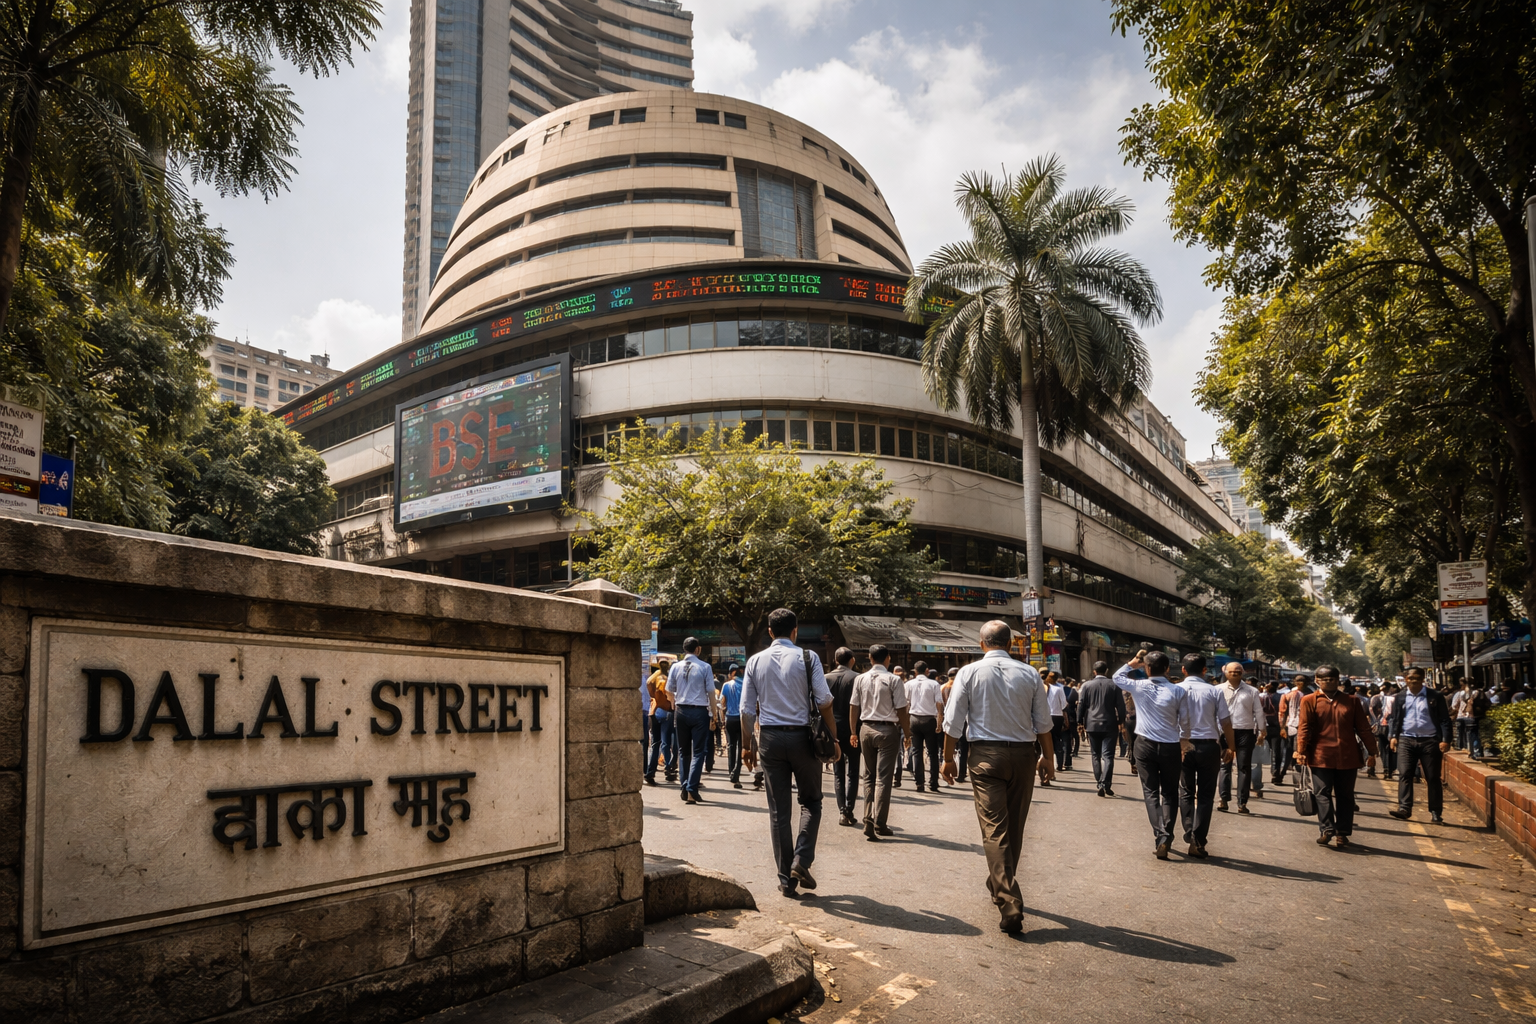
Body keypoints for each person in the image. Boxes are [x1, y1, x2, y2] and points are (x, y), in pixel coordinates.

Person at [941, 620, 1053, 936]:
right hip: (1023, 756)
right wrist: (1048, 757)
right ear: (1010, 643)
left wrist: (948, 759)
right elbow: (1043, 722)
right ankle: (1000, 883)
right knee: (1013, 827)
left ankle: (1007, 898)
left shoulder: (968, 673)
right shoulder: (1030, 673)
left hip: (985, 758)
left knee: (995, 829)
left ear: (982, 644)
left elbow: (953, 721)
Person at [740, 608, 839, 899]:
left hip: (770, 740)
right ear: (795, 631)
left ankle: (786, 880)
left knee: (778, 811)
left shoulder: (755, 661)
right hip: (803, 739)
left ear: (770, 632)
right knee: (811, 801)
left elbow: (746, 709)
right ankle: (801, 860)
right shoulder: (808, 658)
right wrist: (833, 739)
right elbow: (824, 701)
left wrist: (747, 745)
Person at [1114, 651, 1192, 860]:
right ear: (1167, 668)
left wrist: (1133, 663)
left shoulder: (1139, 686)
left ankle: (1161, 835)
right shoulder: (1178, 690)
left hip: (1145, 745)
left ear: (1147, 668)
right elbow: (1185, 721)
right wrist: (1184, 741)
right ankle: (1167, 834)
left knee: (1150, 792)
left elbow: (1117, 677)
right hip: (1170, 746)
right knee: (1170, 792)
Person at [1295, 664, 1379, 847]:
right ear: (1317, 681)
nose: (1328, 682)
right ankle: (1327, 829)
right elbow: (1304, 727)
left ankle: (1342, 832)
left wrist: (1372, 751)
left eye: (1332, 679)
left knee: (1345, 795)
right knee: (1322, 793)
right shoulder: (1309, 700)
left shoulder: (1352, 701)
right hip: (1320, 755)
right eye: (1324, 679)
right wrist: (1301, 751)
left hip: (1347, 756)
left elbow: (1363, 728)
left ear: (1338, 680)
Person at [849, 644, 912, 840]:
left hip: (865, 729)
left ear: (870, 658)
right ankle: (880, 823)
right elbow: (901, 710)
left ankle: (867, 817)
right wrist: (907, 734)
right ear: (888, 659)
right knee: (883, 778)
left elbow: (853, 706)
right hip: (887, 731)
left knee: (868, 775)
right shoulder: (894, 680)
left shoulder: (860, 679)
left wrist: (853, 732)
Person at [1177, 653, 1235, 858]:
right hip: (1209, 747)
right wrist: (1231, 747)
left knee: (1186, 791)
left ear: (1183, 670)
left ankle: (1188, 830)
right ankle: (1198, 838)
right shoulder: (1214, 691)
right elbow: (1226, 722)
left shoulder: (1176, 690)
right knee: (1206, 795)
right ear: (1204, 670)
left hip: (1183, 746)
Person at [1388, 666, 1452, 824]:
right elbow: (1395, 718)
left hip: (1430, 741)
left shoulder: (1435, 696)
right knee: (1405, 773)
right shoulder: (1400, 697)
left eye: (1417, 678)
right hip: (1406, 740)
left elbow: (1444, 719)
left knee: (1432, 777)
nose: (1414, 681)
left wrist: (1446, 739)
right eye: (1410, 678)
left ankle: (1436, 812)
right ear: (1406, 679)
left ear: (1423, 679)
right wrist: (1393, 736)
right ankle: (1404, 808)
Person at [667, 638, 718, 805]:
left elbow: (668, 690)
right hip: (699, 711)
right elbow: (711, 692)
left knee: (683, 752)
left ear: (684, 649)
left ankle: (684, 786)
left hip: (681, 711)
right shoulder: (705, 667)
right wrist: (714, 714)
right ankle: (691, 788)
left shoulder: (675, 667)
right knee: (698, 752)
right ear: (698, 649)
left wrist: (674, 704)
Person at [1217, 664, 1265, 814]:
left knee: (1244, 767)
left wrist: (1262, 730)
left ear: (1242, 673)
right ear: (1225, 673)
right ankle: (1223, 799)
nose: (1234, 674)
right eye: (1231, 672)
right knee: (1225, 766)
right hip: (1224, 731)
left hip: (1245, 731)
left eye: (1237, 672)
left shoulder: (1252, 691)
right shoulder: (1217, 690)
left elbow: (1258, 711)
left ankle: (1242, 802)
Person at [1078, 660, 1126, 797]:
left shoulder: (1086, 685)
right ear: (1107, 671)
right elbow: (1121, 706)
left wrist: (1080, 722)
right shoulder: (1114, 685)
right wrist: (1121, 721)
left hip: (1092, 724)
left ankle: (1100, 782)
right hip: (1110, 724)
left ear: (1094, 672)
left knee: (1095, 755)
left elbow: (1081, 705)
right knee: (1108, 756)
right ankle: (1105, 783)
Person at [824, 647, 861, 825]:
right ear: (852, 660)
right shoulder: (857, 678)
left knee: (838, 772)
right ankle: (849, 809)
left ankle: (841, 810)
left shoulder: (825, 678)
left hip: (832, 729)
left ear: (836, 660)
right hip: (853, 728)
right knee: (853, 771)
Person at [905, 660, 945, 792]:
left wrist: (905, 724)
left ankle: (919, 783)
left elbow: (906, 704)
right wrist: (939, 722)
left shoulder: (909, 684)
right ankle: (933, 783)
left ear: (915, 672)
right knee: (932, 753)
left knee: (916, 752)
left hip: (914, 719)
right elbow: (939, 703)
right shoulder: (934, 684)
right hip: (929, 720)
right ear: (927, 671)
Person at [645, 657, 676, 785]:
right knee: (665, 743)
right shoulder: (665, 679)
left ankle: (650, 772)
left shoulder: (653, 677)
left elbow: (649, 685)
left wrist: (654, 697)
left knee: (655, 744)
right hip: (665, 711)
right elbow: (667, 693)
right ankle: (668, 768)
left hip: (654, 712)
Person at [941, 667, 968, 783]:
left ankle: (947, 764)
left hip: (947, 721)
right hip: (963, 720)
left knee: (948, 747)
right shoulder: (960, 687)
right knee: (963, 748)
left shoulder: (942, 687)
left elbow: (940, 705)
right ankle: (961, 773)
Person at [721, 665, 744, 789]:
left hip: (730, 718)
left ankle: (731, 772)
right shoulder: (745, 685)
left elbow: (722, 703)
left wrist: (722, 717)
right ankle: (737, 771)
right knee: (741, 746)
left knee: (731, 745)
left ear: (732, 675)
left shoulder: (726, 685)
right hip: (742, 719)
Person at [1045, 671, 1071, 774]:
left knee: (1045, 739)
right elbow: (1064, 705)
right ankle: (1059, 764)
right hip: (1057, 716)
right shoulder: (1059, 689)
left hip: (1045, 716)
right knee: (1057, 739)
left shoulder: (1043, 688)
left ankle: (1046, 763)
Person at [1451, 679, 1480, 755]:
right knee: (1474, 734)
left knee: (1461, 734)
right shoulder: (1477, 692)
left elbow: (1454, 706)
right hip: (1472, 716)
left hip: (1461, 716)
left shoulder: (1459, 694)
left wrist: (1459, 708)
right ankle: (1476, 752)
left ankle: (1463, 749)